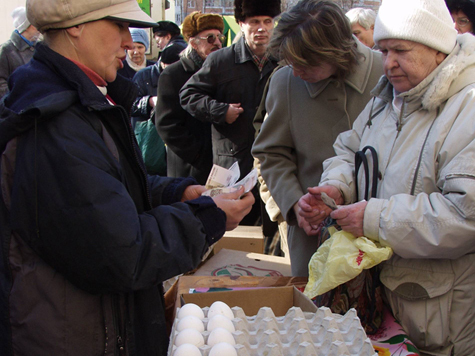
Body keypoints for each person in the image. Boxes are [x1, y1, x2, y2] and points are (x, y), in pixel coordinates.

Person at [0, 0, 254, 355]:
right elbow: (120, 250)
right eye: (118, 25)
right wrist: (207, 216)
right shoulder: (56, 123)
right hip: (71, 337)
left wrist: (176, 193)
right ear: (76, 27)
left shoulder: (80, 104)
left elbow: (105, 189)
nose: (128, 40)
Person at [298, 0, 475, 353]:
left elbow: (465, 214)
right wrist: (336, 188)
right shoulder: (389, 98)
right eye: (383, 50)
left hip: (437, 314)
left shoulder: (467, 108)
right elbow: (351, 149)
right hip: (383, 299)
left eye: (401, 50)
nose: (389, 62)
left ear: (439, 51)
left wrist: (373, 218)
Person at [251, 0, 383, 276]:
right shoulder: (286, 82)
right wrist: (294, 203)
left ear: (335, 53)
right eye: (291, 62)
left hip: (379, 236)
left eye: (305, 65)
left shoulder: (385, 74)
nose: (296, 71)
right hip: (314, 236)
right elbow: (270, 155)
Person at [180, 0, 281, 225]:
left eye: (267, 22)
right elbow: (188, 95)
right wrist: (220, 110)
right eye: (254, 22)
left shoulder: (282, 61)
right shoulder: (221, 60)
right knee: (236, 235)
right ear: (241, 23)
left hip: (273, 166)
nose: (261, 28)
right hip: (234, 166)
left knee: (272, 231)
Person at [155, 11, 225, 184]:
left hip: (221, 167)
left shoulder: (224, 72)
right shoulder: (173, 74)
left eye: (219, 37)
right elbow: (167, 125)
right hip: (189, 170)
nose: (216, 43)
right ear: (193, 43)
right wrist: (200, 155)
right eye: (210, 38)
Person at [0, 7, 40, 98]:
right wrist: (16, 98)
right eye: (34, 25)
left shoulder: (40, 47)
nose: (38, 28)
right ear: (25, 27)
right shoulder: (6, 50)